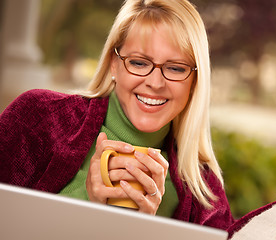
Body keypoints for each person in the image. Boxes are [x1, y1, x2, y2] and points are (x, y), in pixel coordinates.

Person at [0, 0, 236, 236]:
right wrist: (86, 206)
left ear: (194, 82)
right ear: (114, 65)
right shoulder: (40, 117)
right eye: (139, 63)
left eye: (176, 68)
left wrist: (143, 232)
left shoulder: (205, 191)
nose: (155, 83)